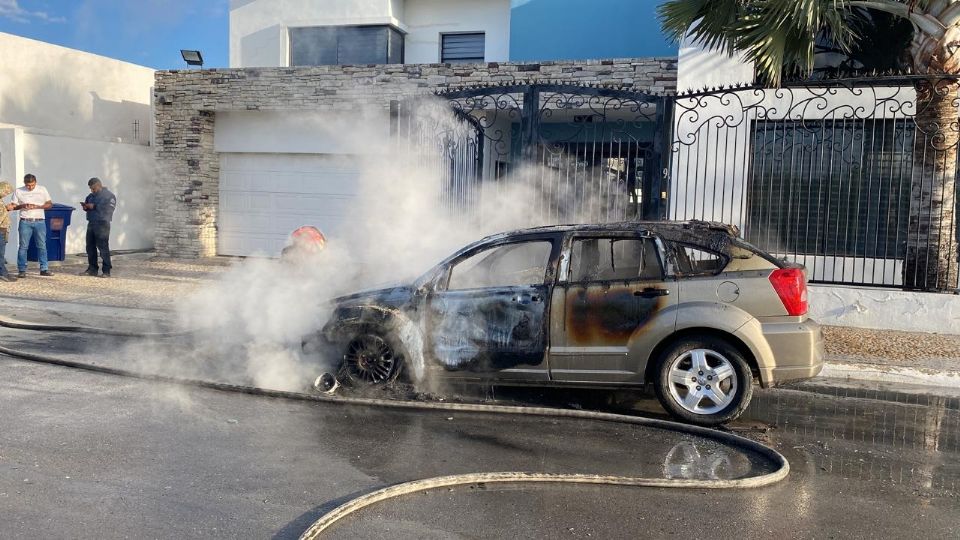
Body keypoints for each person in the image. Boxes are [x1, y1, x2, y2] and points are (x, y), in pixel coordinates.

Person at [9, 173, 53, 278]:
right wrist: (23, 205)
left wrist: (38, 206)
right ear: (24, 184)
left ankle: (44, 268)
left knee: (42, 245)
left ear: (35, 182)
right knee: (23, 246)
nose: (30, 187)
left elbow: (50, 204)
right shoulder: (19, 191)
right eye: (28, 185)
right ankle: (22, 269)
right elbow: (13, 206)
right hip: (25, 221)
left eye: (32, 185)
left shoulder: (42, 190)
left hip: (40, 221)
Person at [79, 177, 117, 278]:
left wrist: (94, 206)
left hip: (102, 224)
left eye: (94, 188)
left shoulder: (109, 196)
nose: (92, 191)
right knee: (90, 247)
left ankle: (106, 270)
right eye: (91, 189)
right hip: (91, 223)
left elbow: (109, 209)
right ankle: (92, 269)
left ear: (99, 185)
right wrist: (86, 207)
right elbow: (89, 207)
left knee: (103, 247)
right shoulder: (90, 196)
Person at [0, 181, 15, 282]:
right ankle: (3, 273)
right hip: (0, 230)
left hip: (3, 230)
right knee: (0, 254)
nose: (6, 194)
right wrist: (7, 209)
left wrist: (7, 209)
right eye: (6, 191)